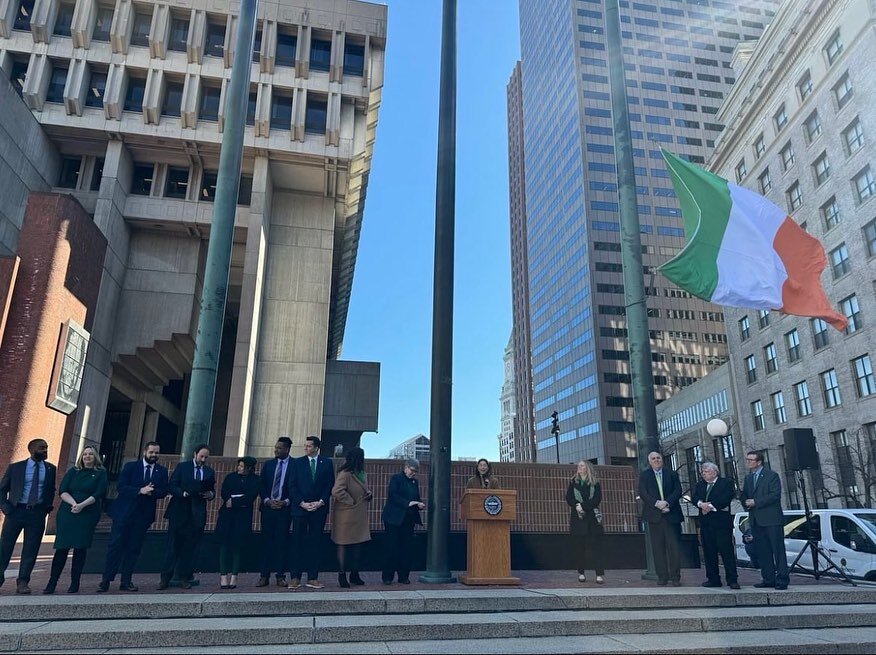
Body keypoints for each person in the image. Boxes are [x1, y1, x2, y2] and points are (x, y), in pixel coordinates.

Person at [99, 441, 168, 592]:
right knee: (115, 546)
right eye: (152, 452)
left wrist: (151, 492)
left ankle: (126, 580)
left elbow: (163, 491)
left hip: (143, 516)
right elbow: (121, 487)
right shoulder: (131, 467)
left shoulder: (161, 471)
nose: (154, 455)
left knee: (133, 548)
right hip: (124, 513)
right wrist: (139, 490)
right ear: (145, 452)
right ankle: (106, 580)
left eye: (157, 453)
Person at [45, 446, 108, 594]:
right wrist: (74, 504)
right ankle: (52, 582)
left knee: (80, 548)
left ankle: (75, 583)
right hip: (68, 512)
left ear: (95, 457)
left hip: (88, 513)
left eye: (90, 454)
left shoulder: (100, 473)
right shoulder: (73, 471)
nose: (87, 457)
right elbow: (63, 490)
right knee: (62, 548)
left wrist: (82, 505)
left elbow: (99, 492)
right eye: (85, 454)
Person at [0, 439, 57, 594]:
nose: (45, 450)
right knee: (4, 547)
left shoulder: (51, 468)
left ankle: (23, 581)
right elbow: (2, 489)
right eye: (41, 448)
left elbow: (51, 490)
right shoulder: (16, 468)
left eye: (46, 447)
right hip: (15, 512)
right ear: (31, 449)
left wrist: (46, 508)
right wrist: (6, 508)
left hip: (36, 514)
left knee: (31, 549)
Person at [159, 444, 216, 590]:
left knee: (190, 548)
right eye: (201, 456)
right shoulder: (182, 467)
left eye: (206, 457)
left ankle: (184, 577)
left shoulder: (209, 472)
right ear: (195, 454)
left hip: (197, 513)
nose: (203, 459)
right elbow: (172, 485)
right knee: (172, 546)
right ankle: (165, 578)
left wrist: (210, 495)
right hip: (179, 511)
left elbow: (211, 490)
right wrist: (182, 493)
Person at [288, 436, 335, 590]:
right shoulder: (297, 463)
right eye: (305, 445)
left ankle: (313, 577)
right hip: (300, 509)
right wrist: (302, 503)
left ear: (316, 448)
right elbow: (292, 485)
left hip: (318, 509)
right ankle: (295, 577)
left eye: (309, 446)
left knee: (315, 543)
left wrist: (321, 501)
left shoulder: (327, 463)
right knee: (297, 542)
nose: (306, 448)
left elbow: (329, 484)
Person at [741, 450, 788, 590]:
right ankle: (768, 578)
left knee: (777, 551)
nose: (748, 462)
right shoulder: (748, 478)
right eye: (747, 459)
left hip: (771, 519)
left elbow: (775, 495)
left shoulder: (771, 475)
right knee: (763, 551)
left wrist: (756, 502)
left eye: (751, 460)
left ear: (759, 462)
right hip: (756, 520)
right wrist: (745, 502)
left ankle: (782, 579)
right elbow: (745, 495)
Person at [638, 451, 683, 586]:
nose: (656, 460)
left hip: (671, 515)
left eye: (658, 458)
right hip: (654, 517)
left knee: (674, 548)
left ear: (662, 460)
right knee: (658, 549)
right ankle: (662, 576)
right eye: (653, 458)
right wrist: (657, 504)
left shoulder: (672, 474)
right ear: (649, 461)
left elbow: (678, 491)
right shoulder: (644, 476)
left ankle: (675, 577)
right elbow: (643, 493)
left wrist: (667, 502)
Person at [691, 461, 739, 589]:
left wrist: (710, 506)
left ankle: (732, 579)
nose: (703, 474)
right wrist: (701, 504)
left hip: (721, 523)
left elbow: (726, 497)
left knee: (726, 552)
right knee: (709, 552)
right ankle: (713, 579)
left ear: (714, 472)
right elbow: (694, 497)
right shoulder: (700, 485)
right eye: (702, 472)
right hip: (706, 524)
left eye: (706, 472)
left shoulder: (725, 483)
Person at [331, 447, 373, 588]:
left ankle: (354, 574)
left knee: (358, 544)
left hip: (359, 515)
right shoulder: (345, 473)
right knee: (343, 544)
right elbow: (336, 491)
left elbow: (362, 489)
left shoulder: (362, 473)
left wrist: (368, 494)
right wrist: (351, 501)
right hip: (345, 515)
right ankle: (342, 575)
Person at [215, 456, 259, 590]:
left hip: (243, 516)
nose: (239, 468)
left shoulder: (255, 480)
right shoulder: (230, 477)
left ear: (249, 468)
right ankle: (223, 576)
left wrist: (234, 501)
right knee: (224, 544)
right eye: (239, 466)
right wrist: (233, 499)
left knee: (237, 545)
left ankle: (234, 575)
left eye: (242, 466)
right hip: (227, 515)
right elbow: (224, 492)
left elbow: (250, 496)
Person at [257, 437, 293, 587]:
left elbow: (296, 486)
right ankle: (264, 576)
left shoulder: (295, 465)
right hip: (268, 509)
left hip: (284, 510)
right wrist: (267, 500)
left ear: (287, 449)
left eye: (279, 448)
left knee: (281, 543)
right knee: (266, 542)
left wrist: (286, 501)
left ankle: (280, 575)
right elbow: (262, 485)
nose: (276, 450)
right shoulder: (269, 465)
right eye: (275, 447)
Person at [381, 459, 424, 585]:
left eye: (415, 472)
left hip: (408, 520)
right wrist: (407, 503)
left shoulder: (414, 482)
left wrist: (418, 504)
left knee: (406, 549)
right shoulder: (396, 478)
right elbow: (393, 495)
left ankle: (403, 576)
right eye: (412, 470)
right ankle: (388, 576)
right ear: (406, 467)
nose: (413, 473)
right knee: (392, 548)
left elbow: (416, 497)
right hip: (394, 519)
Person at [565, 460, 605, 584]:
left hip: (592, 520)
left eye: (582, 465)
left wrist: (583, 506)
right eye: (578, 466)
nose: (579, 467)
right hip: (578, 519)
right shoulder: (573, 482)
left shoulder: (595, 483)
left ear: (587, 468)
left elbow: (596, 499)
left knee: (596, 548)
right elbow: (569, 497)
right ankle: (581, 573)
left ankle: (599, 574)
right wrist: (577, 506)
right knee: (579, 548)